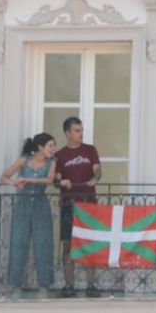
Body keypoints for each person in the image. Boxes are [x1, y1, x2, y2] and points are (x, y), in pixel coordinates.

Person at [1, 133, 57, 292]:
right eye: (50, 145)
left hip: (41, 205)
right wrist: (14, 183)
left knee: (43, 245)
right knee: (19, 242)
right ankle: (15, 285)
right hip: (22, 205)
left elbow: (49, 180)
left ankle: (44, 286)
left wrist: (28, 180)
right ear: (40, 147)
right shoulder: (23, 161)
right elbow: (4, 176)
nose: (53, 149)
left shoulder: (51, 163)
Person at [54, 116, 102, 295]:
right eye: (76, 130)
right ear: (67, 133)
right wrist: (61, 182)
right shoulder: (60, 155)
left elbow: (98, 170)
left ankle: (91, 285)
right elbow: (56, 180)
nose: (80, 133)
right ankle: (69, 285)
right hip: (68, 205)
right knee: (68, 245)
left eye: (81, 130)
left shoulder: (90, 150)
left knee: (90, 244)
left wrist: (94, 178)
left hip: (89, 204)